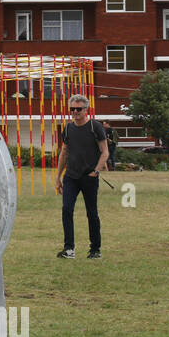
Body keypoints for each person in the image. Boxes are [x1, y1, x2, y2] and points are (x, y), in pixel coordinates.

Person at [54, 94, 108, 259]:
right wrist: (58, 177)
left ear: (86, 110)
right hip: (71, 176)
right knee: (66, 209)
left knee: (92, 213)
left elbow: (105, 152)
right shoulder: (68, 128)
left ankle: (95, 250)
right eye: (72, 109)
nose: (75, 112)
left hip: (89, 177)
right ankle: (69, 249)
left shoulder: (95, 126)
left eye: (79, 109)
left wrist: (96, 171)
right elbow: (64, 152)